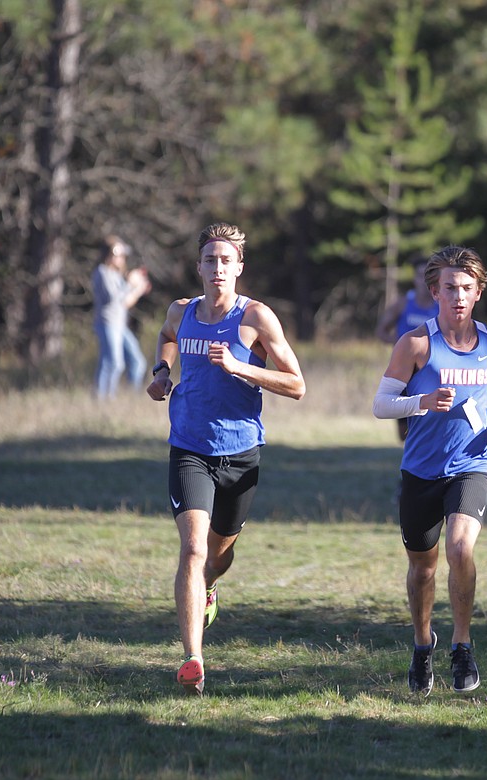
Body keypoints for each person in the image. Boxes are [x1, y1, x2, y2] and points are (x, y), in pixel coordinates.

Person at [146, 223, 306, 695]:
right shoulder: (182, 311)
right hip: (189, 447)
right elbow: (165, 335)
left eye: (226, 261)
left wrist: (241, 367)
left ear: (239, 267)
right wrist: (161, 371)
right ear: (198, 267)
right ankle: (192, 659)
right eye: (210, 260)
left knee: (217, 555)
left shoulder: (255, 317)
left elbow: (297, 384)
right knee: (193, 550)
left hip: (240, 452)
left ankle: (211, 586)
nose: (217, 268)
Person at [372, 245, 487, 695]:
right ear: (434, 292)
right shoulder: (416, 343)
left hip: (472, 464)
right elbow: (381, 405)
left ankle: (462, 646)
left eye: (465, 288)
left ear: (478, 292)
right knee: (423, 569)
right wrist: (420, 402)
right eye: (449, 289)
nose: (457, 296)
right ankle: (424, 644)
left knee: (461, 549)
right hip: (421, 471)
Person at [375, 256, 439, 441]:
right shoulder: (403, 303)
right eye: (420, 275)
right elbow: (381, 330)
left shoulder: (441, 305)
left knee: (429, 420)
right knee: (404, 432)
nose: (423, 280)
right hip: (405, 371)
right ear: (414, 278)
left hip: (430, 370)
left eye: (428, 276)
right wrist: (401, 346)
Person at [93, 236, 152, 398]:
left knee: (137, 361)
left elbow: (126, 302)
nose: (121, 258)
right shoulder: (102, 272)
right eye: (117, 254)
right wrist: (130, 283)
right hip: (107, 323)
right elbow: (114, 298)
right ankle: (102, 399)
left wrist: (138, 288)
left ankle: (130, 398)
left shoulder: (116, 275)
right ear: (108, 254)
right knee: (113, 363)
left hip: (119, 325)